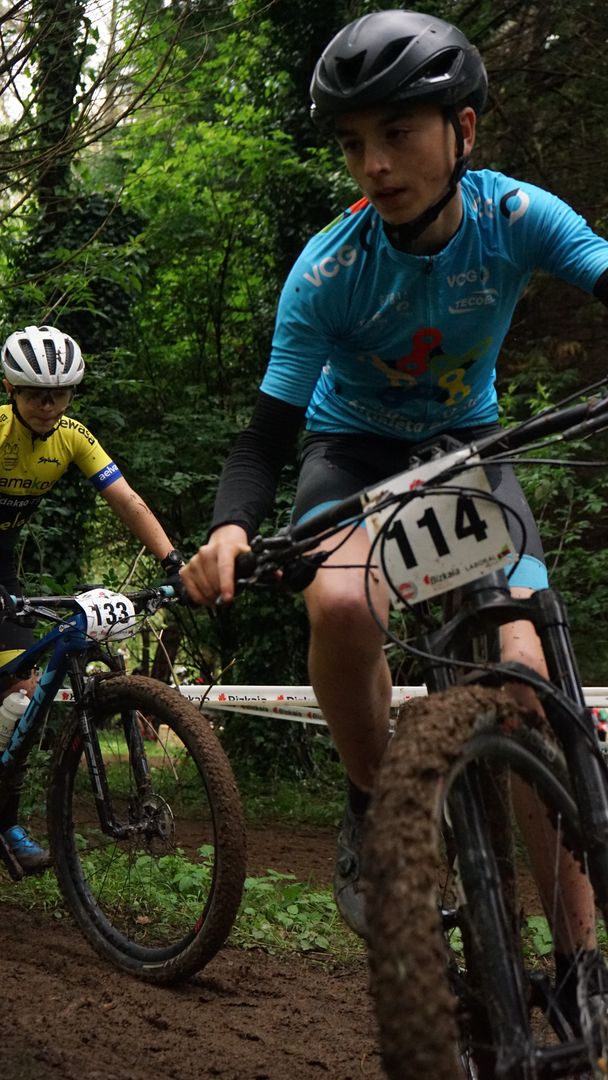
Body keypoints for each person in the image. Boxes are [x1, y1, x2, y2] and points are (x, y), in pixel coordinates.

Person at [181, 9, 608, 993]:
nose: (372, 165)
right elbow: (265, 436)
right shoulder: (328, 269)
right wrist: (230, 527)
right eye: (351, 143)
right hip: (354, 456)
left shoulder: (516, 217)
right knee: (336, 603)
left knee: (527, 684)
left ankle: (579, 967)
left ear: (464, 130)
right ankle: (376, 802)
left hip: (467, 453)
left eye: (398, 133)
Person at [0, 323, 184, 872]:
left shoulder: (74, 437)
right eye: (36, 394)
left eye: (60, 394)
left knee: (22, 695)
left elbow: (125, 500)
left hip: (2, 565)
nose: (49, 406)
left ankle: (4, 821)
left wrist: (174, 563)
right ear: (10, 389)